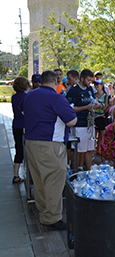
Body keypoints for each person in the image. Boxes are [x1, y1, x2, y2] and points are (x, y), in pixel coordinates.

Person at [23, 70, 77, 230]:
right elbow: (72, 121)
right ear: (55, 82)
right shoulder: (56, 97)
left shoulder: (30, 95)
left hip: (31, 141)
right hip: (49, 143)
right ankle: (52, 218)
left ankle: (44, 212)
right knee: (54, 179)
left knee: (39, 179)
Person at [66, 69, 102, 171]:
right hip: (78, 124)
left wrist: (97, 104)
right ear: (82, 79)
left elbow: (94, 100)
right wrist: (86, 107)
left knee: (90, 150)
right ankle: (76, 169)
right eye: (88, 80)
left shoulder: (90, 89)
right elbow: (70, 108)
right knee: (79, 150)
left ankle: (88, 171)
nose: (90, 82)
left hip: (90, 124)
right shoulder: (74, 90)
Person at [11, 77, 31, 183]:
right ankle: (30, 174)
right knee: (28, 150)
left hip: (16, 125)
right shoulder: (27, 97)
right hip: (26, 125)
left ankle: (16, 174)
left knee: (18, 149)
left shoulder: (14, 97)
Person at [93, 79, 111, 155]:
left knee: (101, 135)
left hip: (101, 117)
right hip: (93, 117)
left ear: (102, 85)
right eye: (95, 84)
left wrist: (100, 106)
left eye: (98, 84)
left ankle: (99, 149)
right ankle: (93, 148)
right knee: (93, 135)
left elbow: (105, 110)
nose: (96, 86)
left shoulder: (106, 96)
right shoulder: (93, 95)